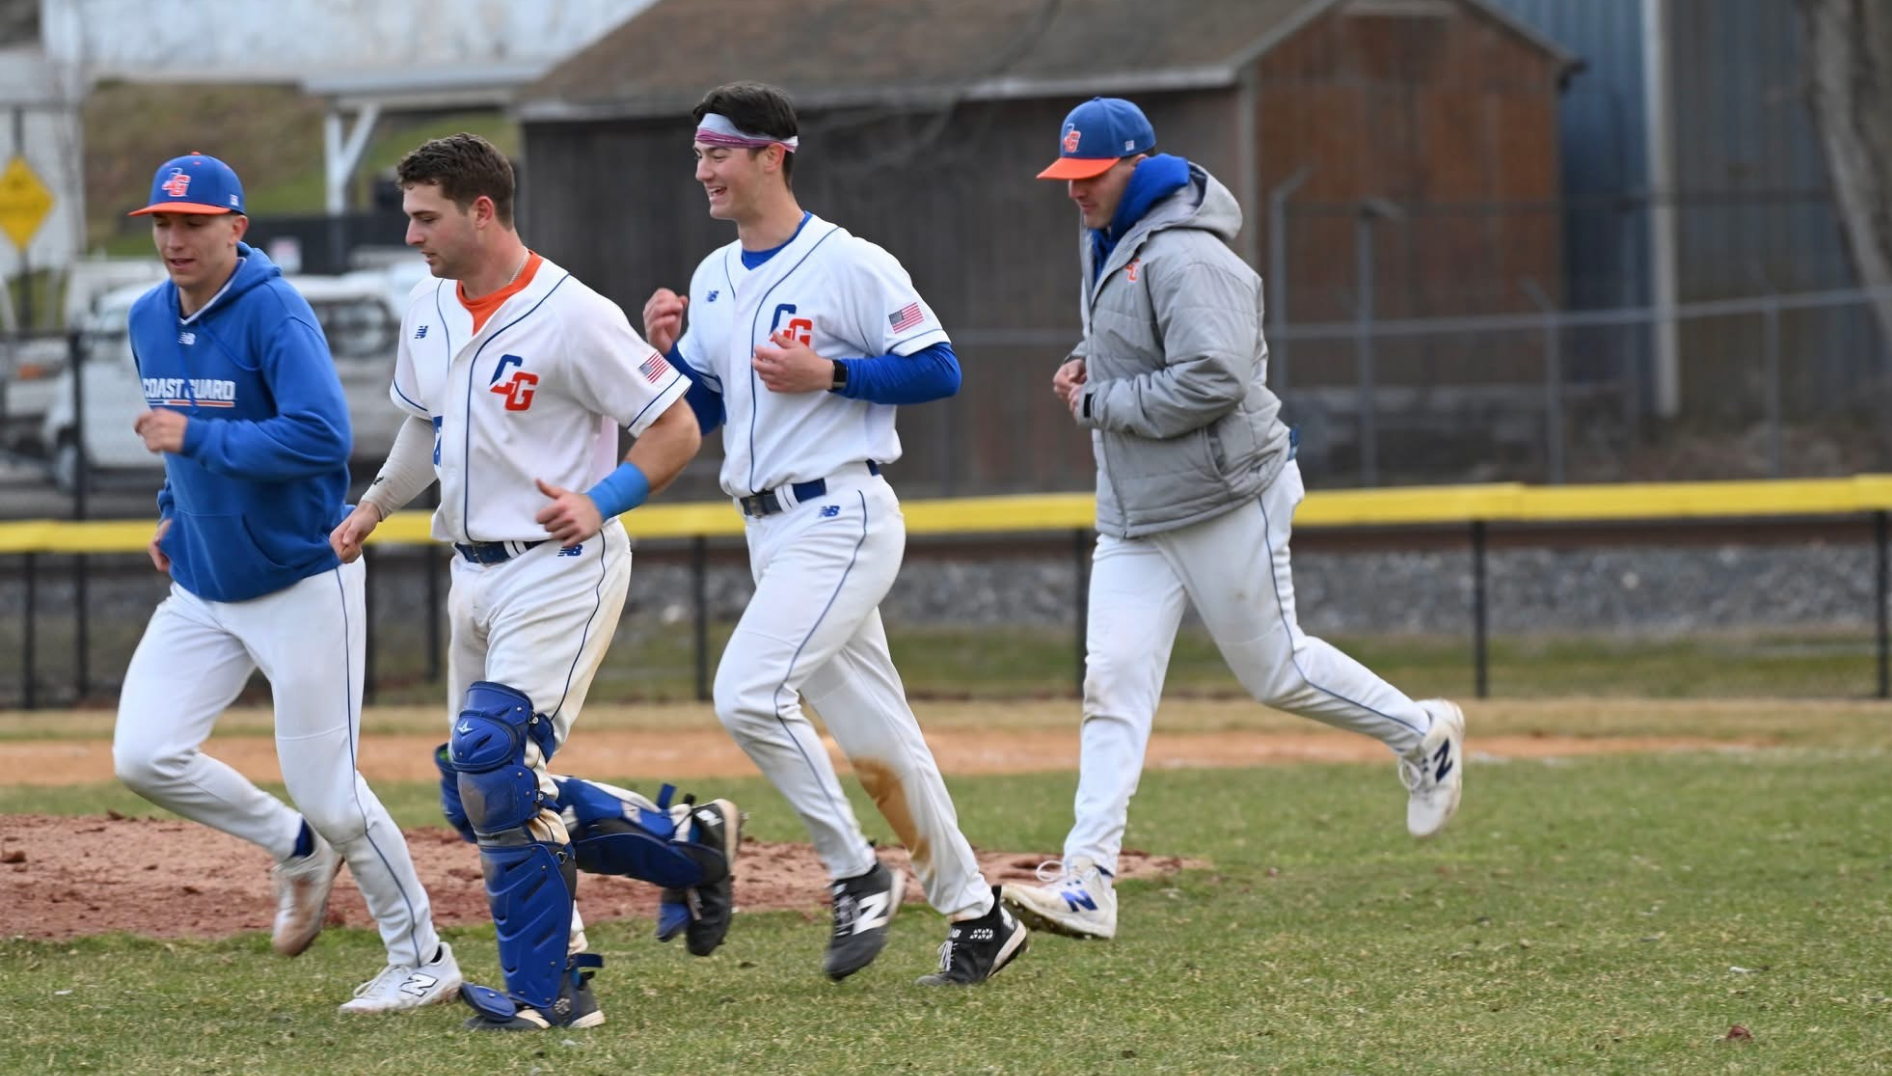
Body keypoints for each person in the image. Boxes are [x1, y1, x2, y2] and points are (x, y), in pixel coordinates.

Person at [1001, 98, 1467, 941]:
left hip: (1224, 496)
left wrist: (1101, 401)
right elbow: (1127, 336)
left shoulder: (1188, 254)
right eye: (1067, 175)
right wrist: (1085, 360)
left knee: (1278, 674)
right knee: (1112, 684)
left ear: (1136, 164)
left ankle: (1422, 733)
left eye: (1090, 174)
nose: (1075, 190)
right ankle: (1089, 880)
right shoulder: (1109, 233)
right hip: (1136, 507)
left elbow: (1214, 377)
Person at [329, 133, 737, 1031]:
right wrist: (375, 506)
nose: (411, 236)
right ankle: (689, 847)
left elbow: (674, 427)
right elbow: (423, 426)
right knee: (470, 788)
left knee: (495, 762)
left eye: (425, 217)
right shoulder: (430, 306)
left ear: (482, 211)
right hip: (470, 572)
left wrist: (602, 499)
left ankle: (549, 993)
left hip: (559, 566)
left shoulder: (574, 314)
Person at [640, 81, 1028, 987]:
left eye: (718, 154)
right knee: (880, 741)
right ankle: (979, 916)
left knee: (747, 694)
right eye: (699, 155)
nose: (703, 171)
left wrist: (834, 374)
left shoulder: (849, 263)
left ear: (773, 156)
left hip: (840, 513)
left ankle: (855, 873)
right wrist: (661, 356)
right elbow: (701, 410)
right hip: (770, 530)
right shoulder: (714, 275)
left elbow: (939, 369)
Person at [110, 152, 461, 1014]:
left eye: (194, 223)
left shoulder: (275, 311)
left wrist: (194, 441)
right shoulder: (148, 316)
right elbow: (180, 437)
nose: (175, 238)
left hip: (302, 580)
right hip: (203, 584)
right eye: (163, 222)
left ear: (237, 227)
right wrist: (172, 509)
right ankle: (296, 847)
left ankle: (423, 958)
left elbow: (319, 437)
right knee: (144, 755)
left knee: (332, 790)